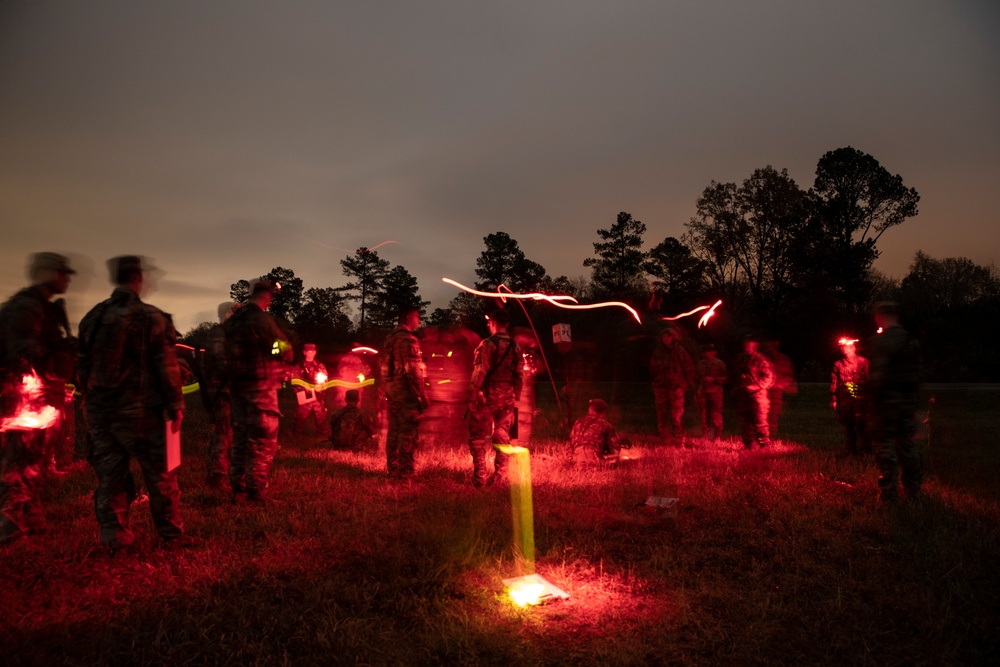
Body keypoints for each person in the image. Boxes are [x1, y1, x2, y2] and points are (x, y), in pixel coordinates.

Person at [76, 256, 190, 550]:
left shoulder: (93, 317)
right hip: (142, 413)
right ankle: (171, 535)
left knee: (111, 477)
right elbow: (166, 367)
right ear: (137, 278)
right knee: (161, 476)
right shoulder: (151, 317)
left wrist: (88, 403)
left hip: (102, 414)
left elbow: (81, 366)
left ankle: (114, 538)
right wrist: (176, 405)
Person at [0, 252, 76, 545]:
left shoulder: (42, 307)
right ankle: (9, 526)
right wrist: (48, 371)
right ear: (45, 272)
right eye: (61, 272)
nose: (66, 278)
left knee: (36, 463)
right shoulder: (26, 307)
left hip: (37, 394)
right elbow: (23, 353)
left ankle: (31, 520)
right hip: (23, 396)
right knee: (22, 462)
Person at [224, 278, 292, 503]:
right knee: (263, 440)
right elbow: (283, 346)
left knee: (241, 438)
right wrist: (275, 353)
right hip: (260, 386)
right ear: (266, 295)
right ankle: (256, 491)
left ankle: (238, 489)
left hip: (237, 387)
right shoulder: (261, 319)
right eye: (271, 296)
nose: (271, 300)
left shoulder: (235, 320)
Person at [867, 302, 922, 503]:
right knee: (907, 445)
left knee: (885, 447)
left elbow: (877, 377)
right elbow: (917, 375)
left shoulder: (879, 342)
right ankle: (913, 489)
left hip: (885, 403)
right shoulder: (911, 341)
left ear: (879, 317)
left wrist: (872, 404)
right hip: (907, 403)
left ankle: (889, 492)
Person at [467, 309, 523, 487]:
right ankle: (500, 477)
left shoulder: (486, 345)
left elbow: (480, 372)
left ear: (492, 322)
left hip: (486, 397)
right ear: (506, 324)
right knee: (502, 437)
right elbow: (519, 375)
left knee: (477, 437)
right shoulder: (516, 346)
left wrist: (472, 395)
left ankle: (480, 477)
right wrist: (516, 397)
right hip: (507, 398)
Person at [380, 307, 428, 478]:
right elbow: (413, 371)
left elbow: (384, 369)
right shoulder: (408, 340)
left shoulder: (390, 338)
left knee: (393, 431)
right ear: (408, 318)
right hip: (406, 393)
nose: (419, 320)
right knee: (408, 431)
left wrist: (386, 387)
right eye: (417, 316)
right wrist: (421, 395)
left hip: (392, 391)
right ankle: (405, 471)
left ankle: (392, 467)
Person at [199, 301, 236, 490]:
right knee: (222, 433)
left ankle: (227, 473)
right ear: (227, 314)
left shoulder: (230, 335)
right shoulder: (219, 334)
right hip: (221, 390)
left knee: (231, 432)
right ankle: (216, 477)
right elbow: (221, 363)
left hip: (231, 389)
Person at [649, 324, 695, 446]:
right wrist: (654, 385)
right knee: (662, 416)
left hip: (676, 389)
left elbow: (690, 370)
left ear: (673, 338)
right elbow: (652, 370)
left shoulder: (680, 352)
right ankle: (664, 440)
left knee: (677, 417)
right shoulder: (658, 352)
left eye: (668, 337)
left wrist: (683, 387)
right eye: (664, 337)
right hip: (661, 388)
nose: (666, 339)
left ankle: (680, 441)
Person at [733, 335, 775, 449]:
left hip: (758, 396)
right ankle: (748, 445)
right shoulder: (740, 359)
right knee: (745, 421)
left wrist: (756, 387)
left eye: (749, 343)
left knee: (760, 422)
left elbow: (769, 377)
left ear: (755, 345)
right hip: (744, 395)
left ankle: (764, 445)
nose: (746, 345)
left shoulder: (761, 360)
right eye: (745, 343)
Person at [831, 337, 870, 455]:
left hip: (860, 398)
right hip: (844, 398)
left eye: (846, 346)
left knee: (861, 425)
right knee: (848, 425)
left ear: (853, 347)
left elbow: (869, 379)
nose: (844, 348)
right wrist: (834, 398)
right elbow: (834, 382)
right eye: (842, 346)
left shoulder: (862, 362)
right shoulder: (838, 364)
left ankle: (865, 449)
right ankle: (850, 449)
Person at [568, 398, 622, 467]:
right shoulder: (605, 424)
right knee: (616, 461)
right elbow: (615, 450)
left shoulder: (578, 422)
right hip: (594, 462)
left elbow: (570, 446)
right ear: (603, 412)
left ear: (590, 409)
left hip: (575, 461)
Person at [292, 343, 330, 439]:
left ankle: (321, 436)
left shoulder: (320, 366)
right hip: (305, 396)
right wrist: (305, 387)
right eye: (309, 351)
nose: (311, 353)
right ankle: (296, 436)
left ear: (315, 352)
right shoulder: (299, 366)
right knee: (300, 418)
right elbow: (295, 381)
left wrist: (320, 387)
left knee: (320, 417)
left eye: (312, 351)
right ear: (304, 352)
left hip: (318, 396)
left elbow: (325, 380)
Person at [761, 339, 797, 439]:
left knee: (772, 417)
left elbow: (788, 376)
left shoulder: (781, 359)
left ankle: (769, 438)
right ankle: (760, 437)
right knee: (759, 417)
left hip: (775, 392)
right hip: (761, 391)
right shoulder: (761, 358)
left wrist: (781, 385)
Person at [696, 344, 728, 443]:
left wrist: (714, 379)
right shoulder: (700, 364)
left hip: (716, 392)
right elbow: (695, 377)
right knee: (704, 414)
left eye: (711, 351)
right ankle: (705, 435)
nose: (709, 353)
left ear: (715, 352)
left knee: (716, 414)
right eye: (707, 351)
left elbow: (726, 378)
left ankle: (717, 435)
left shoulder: (720, 364)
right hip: (703, 392)